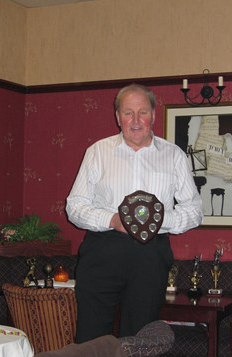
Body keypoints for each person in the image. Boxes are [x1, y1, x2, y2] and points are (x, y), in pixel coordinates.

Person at [66, 83, 203, 343]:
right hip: (102, 252)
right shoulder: (97, 152)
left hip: (150, 255)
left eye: (143, 112)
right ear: (118, 117)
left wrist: (160, 220)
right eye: (128, 112)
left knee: (141, 340)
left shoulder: (173, 155)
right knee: (90, 338)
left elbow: (194, 211)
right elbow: (74, 206)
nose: (136, 120)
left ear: (153, 114)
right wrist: (111, 220)